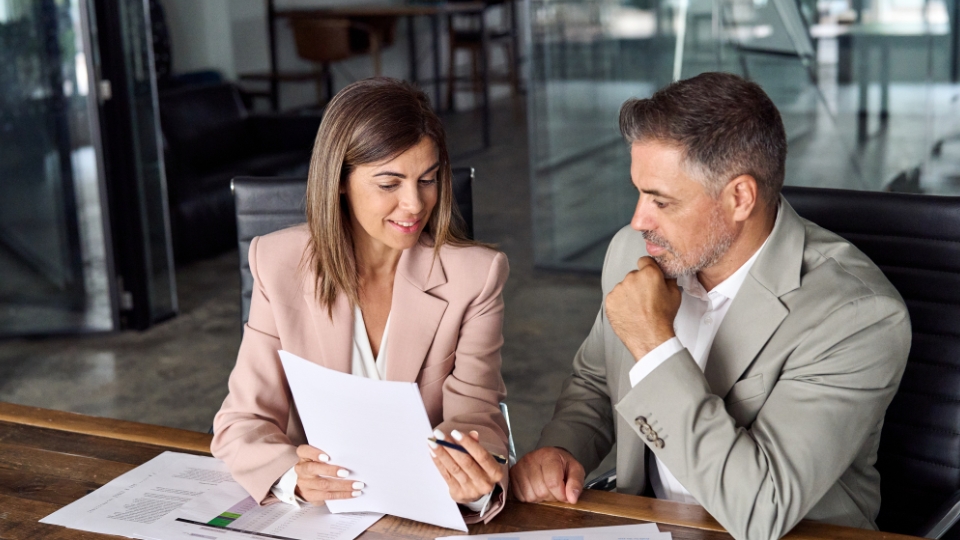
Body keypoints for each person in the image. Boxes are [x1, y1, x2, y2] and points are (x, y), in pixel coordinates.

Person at [509, 72, 911, 540]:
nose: (638, 220)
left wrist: (654, 345)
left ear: (740, 197)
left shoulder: (857, 316)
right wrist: (563, 448)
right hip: (651, 525)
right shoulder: (632, 252)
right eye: (639, 192)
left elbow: (762, 510)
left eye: (661, 200)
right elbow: (597, 380)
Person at [212, 78, 509, 523]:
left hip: (421, 512)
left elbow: (477, 415)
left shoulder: (475, 276)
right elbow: (241, 423)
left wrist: (465, 470)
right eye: (389, 183)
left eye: (427, 180)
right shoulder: (276, 262)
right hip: (316, 517)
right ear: (341, 182)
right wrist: (292, 475)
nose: (414, 204)